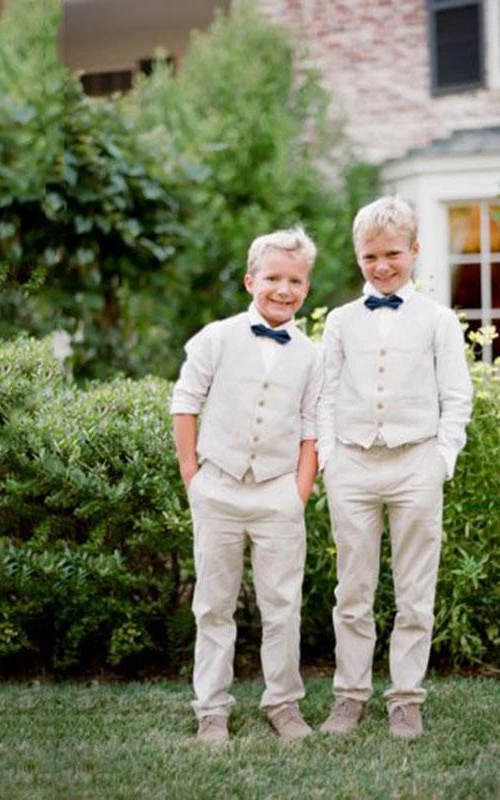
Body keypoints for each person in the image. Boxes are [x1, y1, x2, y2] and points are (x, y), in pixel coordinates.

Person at [317, 197, 473, 739]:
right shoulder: (339, 322)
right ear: (357, 257)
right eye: (369, 256)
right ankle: (349, 695)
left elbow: (457, 397)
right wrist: (330, 460)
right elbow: (326, 393)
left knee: (414, 590)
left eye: (392, 254)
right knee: (352, 591)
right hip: (353, 466)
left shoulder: (438, 320)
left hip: (416, 465)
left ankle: (406, 697)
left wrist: (441, 460)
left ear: (414, 251)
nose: (381, 266)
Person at [170, 227, 321, 745]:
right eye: (273, 278)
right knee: (214, 604)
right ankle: (211, 707)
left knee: (282, 604)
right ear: (249, 281)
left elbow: (311, 428)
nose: (283, 289)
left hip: (278, 493)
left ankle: (283, 703)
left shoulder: (311, 355)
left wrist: (298, 491)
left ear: (306, 288)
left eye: (295, 280)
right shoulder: (216, 336)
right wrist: (194, 477)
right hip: (218, 488)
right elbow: (185, 403)